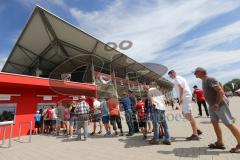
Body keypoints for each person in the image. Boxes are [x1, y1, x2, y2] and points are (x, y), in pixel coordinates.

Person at [194, 67, 240, 153]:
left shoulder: (210, 79)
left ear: (201, 72)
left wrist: (217, 104)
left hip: (219, 105)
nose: (194, 74)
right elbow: (221, 86)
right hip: (212, 106)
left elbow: (220, 91)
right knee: (214, 123)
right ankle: (219, 142)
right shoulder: (204, 80)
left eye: (195, 72)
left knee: (229, 124)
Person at [168, 70, 202, 141]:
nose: (170, 77)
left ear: (174, 73)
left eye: (170, 75)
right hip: (186, 96)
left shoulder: (176, 79)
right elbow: (186, 87)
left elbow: (181, 88)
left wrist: (180, 98)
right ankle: (197, 129)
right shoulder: (181, 78)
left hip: (184, 97)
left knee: (188, 115)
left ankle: (195, 134)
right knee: (185, 114)